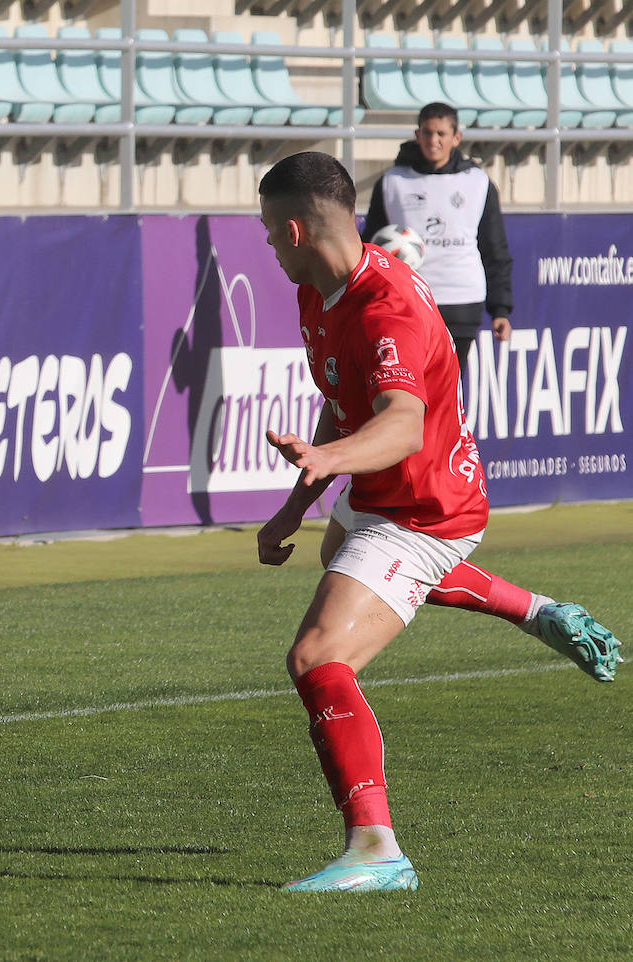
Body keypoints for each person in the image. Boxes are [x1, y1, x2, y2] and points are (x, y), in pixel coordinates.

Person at [254, 152, 621, 892]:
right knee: (341, 556)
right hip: (383, 494)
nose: (266, 246)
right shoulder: (320, 290)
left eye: (268, 232)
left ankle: (376, 849)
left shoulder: (385, 306)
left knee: (319, 658)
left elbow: (401, 427)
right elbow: (343, 396)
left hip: (423, 511)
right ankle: (537, 610)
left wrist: (326, 460)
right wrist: (293, 505)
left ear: (295, 230)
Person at [362, 101, 513, 371]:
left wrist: (500, 309)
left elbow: (495, 248)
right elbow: (372, 246)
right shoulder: (392, 181)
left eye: (441, 134)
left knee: (448, 386)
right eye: (427, 133)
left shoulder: (477, 182)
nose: (434, 140)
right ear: (417, 135)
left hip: (461, 300)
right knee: (410, 386)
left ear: (456, 138)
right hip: (408, 300)